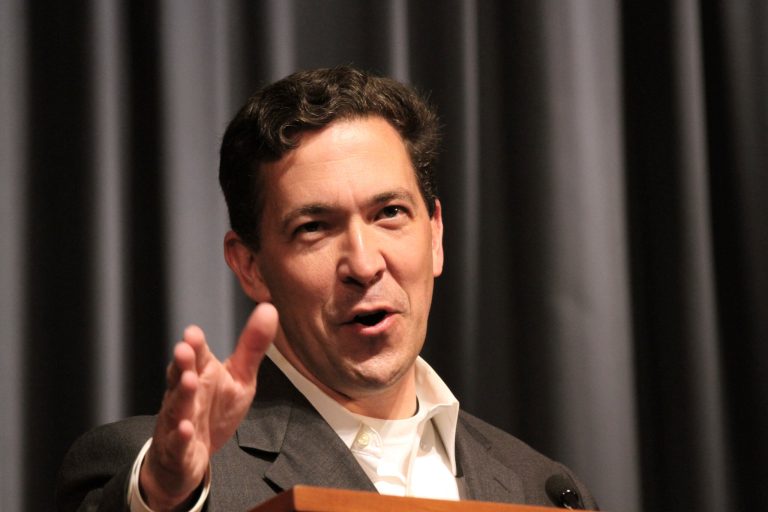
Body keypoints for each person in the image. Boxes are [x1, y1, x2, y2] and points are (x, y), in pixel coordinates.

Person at [56, 66, 598, 511]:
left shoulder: (544, 488)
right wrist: (162, 497)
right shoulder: (156, 472)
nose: (363, 265)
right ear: (251, 267)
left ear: (435, 235)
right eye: (314, 228)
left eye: (390, 213)